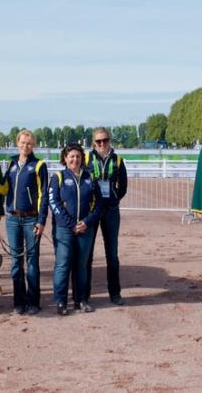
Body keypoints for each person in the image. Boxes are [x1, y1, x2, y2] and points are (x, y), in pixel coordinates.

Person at [49, 143, 102, 316]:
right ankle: (60, 301)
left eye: (78, 156)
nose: (75, 159)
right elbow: (54, 202)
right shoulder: (58, 177)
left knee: (82, 266)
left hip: (85, 229)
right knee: (63, 265)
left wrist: (87, 222)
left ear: (82, 158)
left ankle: (81, 300)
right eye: (71, 156)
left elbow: (98, 203)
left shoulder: (90, 178)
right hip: (64, 229)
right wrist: (71, 224)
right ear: (65, 158)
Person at [4, 130, 48, 315]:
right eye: (22, 143)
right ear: (17, 144)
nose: (25, 146)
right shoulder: (10, 163)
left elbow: (43, 195)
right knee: (15, 262)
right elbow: (3, 187)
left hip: (31, 219)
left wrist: (41, 220)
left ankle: (33, 302)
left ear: (33, 145)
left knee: (32, 262)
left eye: (29, 143)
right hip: (12, 219)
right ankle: (18, 302)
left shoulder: (39, 166)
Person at [83, 127, 128, 306]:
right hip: (92, 212)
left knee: (112, 255)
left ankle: (115, 294)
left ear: (110, 141)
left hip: (110, 211)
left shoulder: (118, 160)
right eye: (99, 141)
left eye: (105, 140)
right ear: (94, 143)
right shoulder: (86, 158)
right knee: (87, 255)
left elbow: (123, 185)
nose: (102, 144)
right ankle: (84, 295)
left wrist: (114, 198)